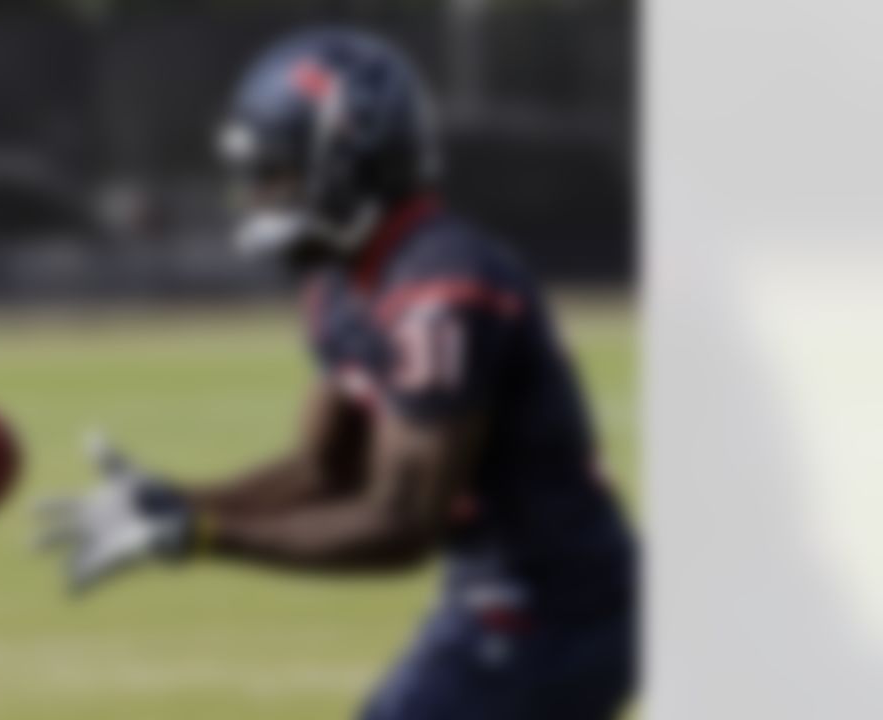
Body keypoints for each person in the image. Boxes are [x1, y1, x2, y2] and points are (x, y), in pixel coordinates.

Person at [36, 27, 636, 720]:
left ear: (345, 165)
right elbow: (327, 469)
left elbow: (400, 523)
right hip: (493, 592)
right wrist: (179, 500)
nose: (257, 195)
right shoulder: (344, 281)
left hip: (561, 613)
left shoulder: (441, 288)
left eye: (275, 172)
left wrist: (207, 534)